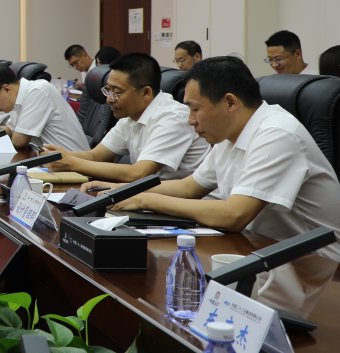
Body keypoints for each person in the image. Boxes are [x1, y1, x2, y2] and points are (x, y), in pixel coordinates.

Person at [111, 57, 340, 261]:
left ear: (230, 102)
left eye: (195, 109)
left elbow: (233, 215)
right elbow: (188, 187)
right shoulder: (230, 134)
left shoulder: (277, 134)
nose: (190, 120)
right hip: (259, 249)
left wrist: (145, 201)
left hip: (318, 266)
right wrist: (120, 191)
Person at [44, 53, 207, 184]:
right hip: (153, 197)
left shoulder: (173, 117)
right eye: (108, 90)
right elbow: (95, 156)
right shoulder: (129, 117)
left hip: (189, 204)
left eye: (117, 92)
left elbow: (138, 173)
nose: (109, 99)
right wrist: (60, 156)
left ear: (146, 92)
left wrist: (72, 163)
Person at [0, 64, 89, 152]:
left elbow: (19, 141)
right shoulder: (18, 98)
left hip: (74, 167)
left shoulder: (38, 91)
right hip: (50, 162)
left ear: (6, 89)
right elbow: (12, 131)